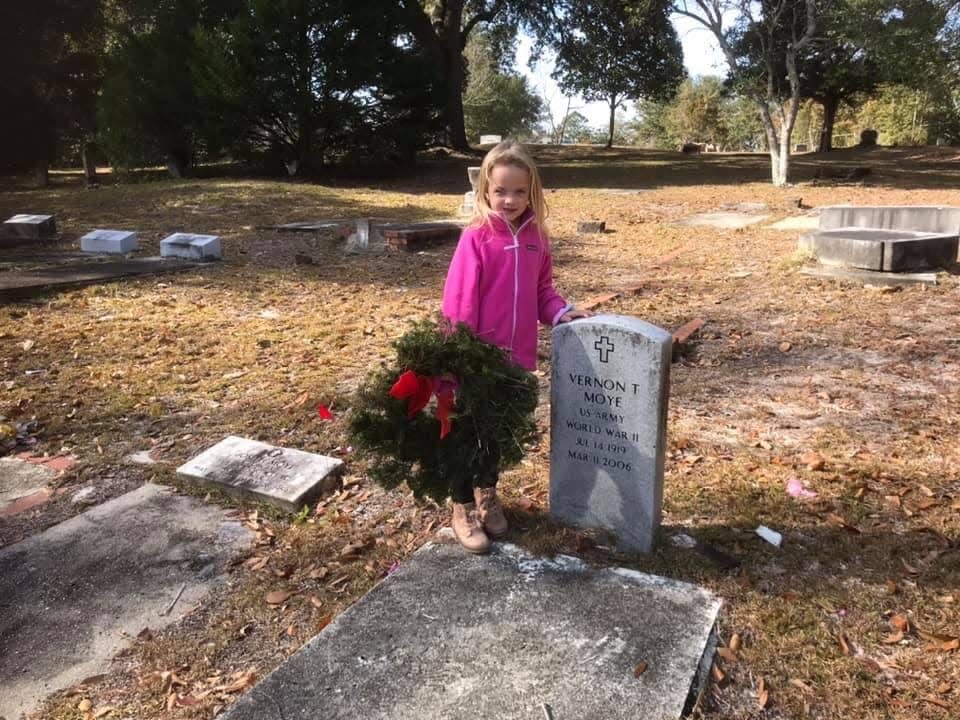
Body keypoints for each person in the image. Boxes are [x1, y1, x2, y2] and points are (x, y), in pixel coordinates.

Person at [441, 140, 590, 553]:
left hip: (514, 359)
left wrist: (563, 311)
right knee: (464, 433)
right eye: (500, 190)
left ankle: (488, 496)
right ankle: (461, 506)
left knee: (494, 433)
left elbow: (543, 291)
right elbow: (459, 299)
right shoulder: (476, 238)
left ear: (532, 192)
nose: (509, 200)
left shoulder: (537, 239)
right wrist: (458, 355)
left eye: (519, 192)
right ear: (486, 190)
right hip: (475, 358)